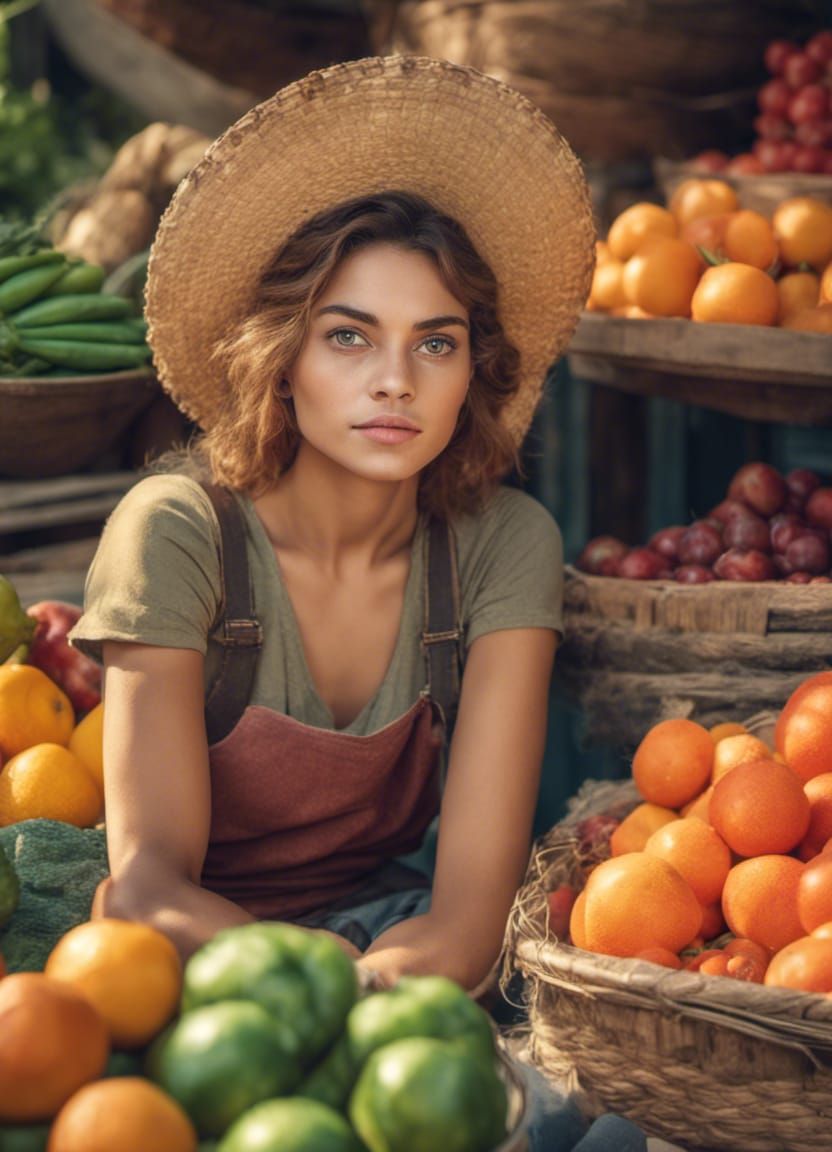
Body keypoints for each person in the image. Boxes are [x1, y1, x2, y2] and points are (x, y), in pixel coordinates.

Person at [69, 57, 647, 1149]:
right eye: (350, 337)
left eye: (435, 343)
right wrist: (314, 988)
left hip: (395, 938)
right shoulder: (179, 532)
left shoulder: (499, 546)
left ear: (475, 369)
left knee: (589, 1133)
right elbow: (145, 881)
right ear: (280, 358)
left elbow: (472, 910)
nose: (396, 382)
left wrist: (376, 988)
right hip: (187, 961)